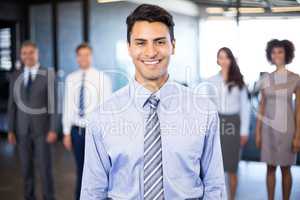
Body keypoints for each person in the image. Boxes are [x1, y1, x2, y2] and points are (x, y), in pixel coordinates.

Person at [80, 4, 226, 199]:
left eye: (159, 42)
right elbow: (92, 191)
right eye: (141, 43)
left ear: (173, 45)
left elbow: (215, 185)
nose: (150, 52)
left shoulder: (204, 111)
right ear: (129, 48)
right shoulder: (101, 116)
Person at [7, 41, 57, 200]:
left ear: (37, 54)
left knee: (45, 169)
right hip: (22, 131)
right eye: (24, 53)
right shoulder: (15, 75)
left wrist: (53, 129)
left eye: (31, 52)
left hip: (43, 131)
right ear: (21, 55)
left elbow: (54, 105)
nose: (27, 56)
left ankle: (49, 197)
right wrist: (10, 130)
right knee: (26, 170)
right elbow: (12, 105)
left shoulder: (48, 74)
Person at [62, 43, 112, 200]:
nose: (83, 58)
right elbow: (67, 106)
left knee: (96, 170)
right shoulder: (71, 78)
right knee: (81, 169)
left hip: (95, 131)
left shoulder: (102, 78)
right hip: (76, 131)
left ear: (91, 56)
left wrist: (105, 134)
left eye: (87, 55)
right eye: (80, 55)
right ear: (77, 58)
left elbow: (106, 109)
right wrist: (66, 132)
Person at [255, 39, 300, 200]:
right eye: (274, 52)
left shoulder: (295, 78)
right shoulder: (265, 79)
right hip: (269, 130)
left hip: (288, 130)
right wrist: (258, 132)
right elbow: (261, 106)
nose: (277, 55)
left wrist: (298, 136)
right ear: (270, 55)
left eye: (280, 52)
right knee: (270, 168)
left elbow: (299, 110)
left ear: (287, 54)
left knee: (286, 169)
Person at [207, 47, 250, 200]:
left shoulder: (239, 81)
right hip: (217, 123)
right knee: (215, 167)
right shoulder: (211, 81)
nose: (223, 61)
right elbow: (208, 106)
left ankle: (232, 198)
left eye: (226, 57)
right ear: (217, 60)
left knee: (232, 167)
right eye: (220, 57)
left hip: (234, 123)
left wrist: (244, 131)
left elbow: (245, 107)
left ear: (231, 60)